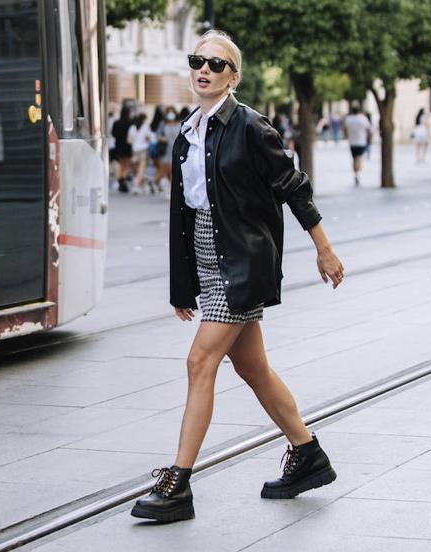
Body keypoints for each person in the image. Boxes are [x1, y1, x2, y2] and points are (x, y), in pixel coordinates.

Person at [130, 29, 344, 523]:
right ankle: (308, 455)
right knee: (251, 368)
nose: (203, 70)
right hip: (209, 257)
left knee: (200, 360)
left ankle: (179, 484)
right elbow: (184, 213)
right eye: (197, 61)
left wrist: (324, 249)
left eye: (216, 64)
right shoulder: (188, 131)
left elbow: (292, 186)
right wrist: (183, 285)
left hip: (242, 260)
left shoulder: (251, 127)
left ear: (234, 77)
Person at [155, 106, 182, 196]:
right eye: (168, 112)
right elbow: (157, 135)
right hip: (166, 150)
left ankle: (171, 189)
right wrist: (162, 138)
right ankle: (166, 186)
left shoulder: (179, 123)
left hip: (176, 150)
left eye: (172, 112)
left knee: (173, 170)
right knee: (167, 170)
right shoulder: (163, 124)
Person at [128, 113, 156, 194]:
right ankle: (135, 185)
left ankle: (144, 186)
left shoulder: (132, 127)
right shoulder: (146, 127)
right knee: (141, 170)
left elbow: (129, 140)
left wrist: (135, 141)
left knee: (138, 170)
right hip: (143, 149)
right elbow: (150, 138)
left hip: (134, 150)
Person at [344, 105, 371, 185]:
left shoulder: (349, 119)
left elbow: (345, 129)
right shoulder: (363, 119)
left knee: (354, 158)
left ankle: (356, 173)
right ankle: (357, 173)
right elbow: (369, 129)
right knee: (358, 158)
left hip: (352, 142)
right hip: (361, 141)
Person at [111, 107, 134, 192]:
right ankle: (123, 177)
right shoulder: (130, 123)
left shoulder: (116, 123)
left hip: (118, 146)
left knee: (121, 164)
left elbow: (113, 134)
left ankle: (121, 178)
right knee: (128, 164)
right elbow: (132, 135)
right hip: (127, 146)